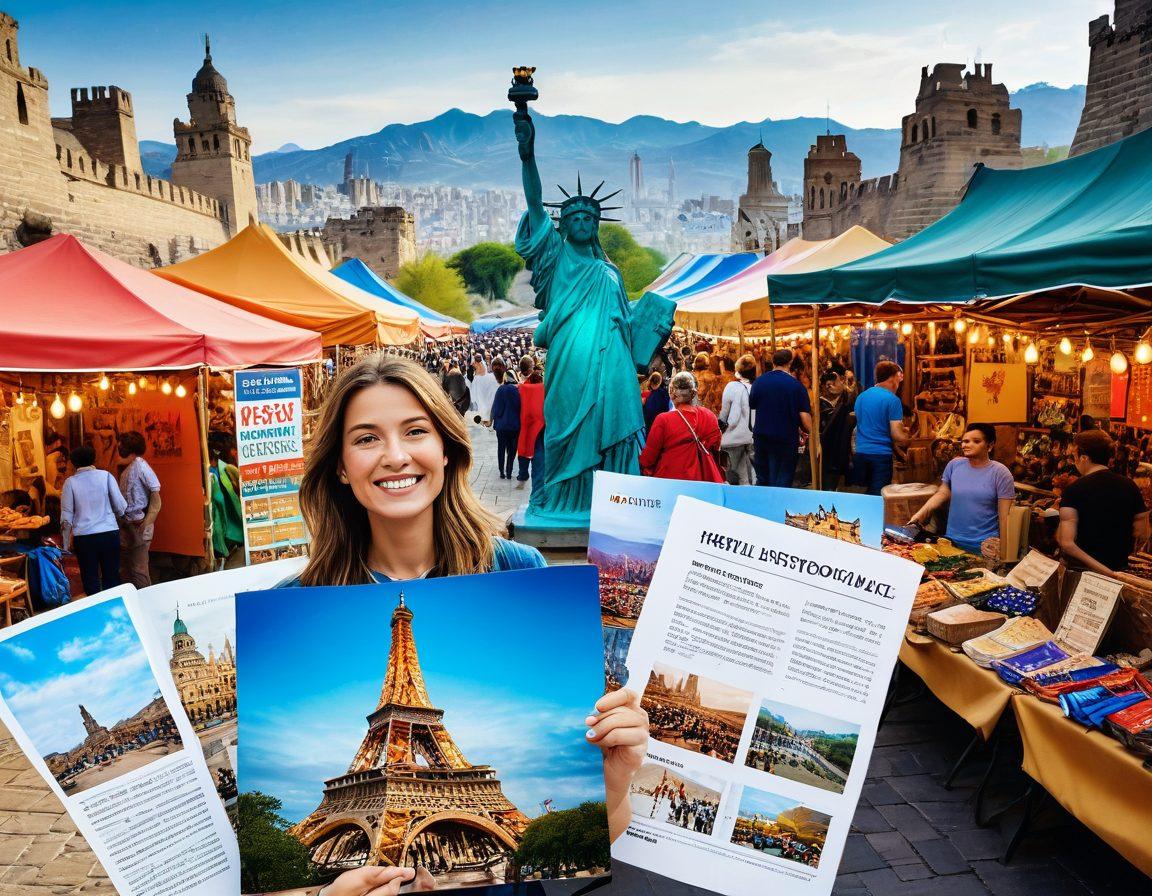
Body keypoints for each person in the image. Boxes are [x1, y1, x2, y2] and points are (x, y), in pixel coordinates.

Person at [281, 354, 647, 896]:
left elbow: (579, 858)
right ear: (339, 464)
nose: (396, 456)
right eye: (366, 439)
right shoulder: (292, 600)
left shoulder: (520, 568)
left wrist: (614, 782)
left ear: (448, 448)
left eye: (415, 431)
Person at [906, 424, 1015, 556]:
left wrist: (1005, 550)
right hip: (951, 543)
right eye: (965, 441)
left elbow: (1005, 517)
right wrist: (919, 516)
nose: (966, 445)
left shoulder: (1000, 473)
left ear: (990, 445)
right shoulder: (954, 465)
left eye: (976, 441)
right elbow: (943, 492)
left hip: (985, 546)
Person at [1057, 430, 1150, 573]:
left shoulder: (1073, 490)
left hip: (1081, 571)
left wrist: (1105, 571)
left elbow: (1066, 543)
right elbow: (1143, 533)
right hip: (1120, 569)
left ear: (1084, 458)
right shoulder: (1130, 486)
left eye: (1074, 456)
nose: (1074, 461)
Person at [60, 444, 126, 596]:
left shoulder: (70, 482)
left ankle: (96, 613)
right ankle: (113, 611)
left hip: (85, 538)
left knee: (90, 580)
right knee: (112, 577)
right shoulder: (106, 476)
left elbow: (66, 517)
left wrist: (65, 544)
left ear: (74, 463)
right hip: (109, 534)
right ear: (93, 460)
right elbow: (120, 506)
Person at [639, 372, 723, 482]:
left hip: (671, 480)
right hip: (705, 479)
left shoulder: (664, 420)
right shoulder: (709, 415)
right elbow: (716, 446)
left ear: (672, 394)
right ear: (693, 394)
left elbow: (648, 458)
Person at [749, 349, 812, 488]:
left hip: (761, 437)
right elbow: (804, 417)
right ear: (790, 363)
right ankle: (777, 507)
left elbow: (752, 404)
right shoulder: (796, 386)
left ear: (773, 362)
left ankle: (762, 507)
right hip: (785, 438)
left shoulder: (759, 382)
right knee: (782, 478)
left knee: (763, 478)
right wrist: (813, 433)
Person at [851, 360, 909, 495]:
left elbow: (865, 424)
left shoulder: (861, 397)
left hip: (860, 454)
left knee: (863, 496)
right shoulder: (892, 400)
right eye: (898, 379)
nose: (898, 384)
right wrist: (908, 438)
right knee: (878, 497)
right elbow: (897, 435)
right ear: (894, 377)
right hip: (880, 456)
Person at [117, 431, 161, 588]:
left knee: (138, 569)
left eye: (121, 444)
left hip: (138, 525)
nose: (118, 446)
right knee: (128, 568)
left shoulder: (141, 466)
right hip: (128, 525)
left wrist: (147, 522)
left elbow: (156, 495)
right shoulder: (130, 467)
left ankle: (146, 602)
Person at [207, 431, 244, 569]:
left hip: (224, 516)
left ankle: (224, 556)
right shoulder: (222, 469)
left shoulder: (222, 470)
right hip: (227, 516)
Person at [719, 354, 756, 485]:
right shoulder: (757, 387)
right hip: (753, 435)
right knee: (754, 472)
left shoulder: (731, 387)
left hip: (734, 436)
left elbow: (724, 413)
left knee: (738, 475)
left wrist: (720, 428)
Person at [819, 369, 855, 491]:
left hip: (844, 447)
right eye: (829, 384)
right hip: (827, 449)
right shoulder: (820, 404)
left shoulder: (846, 401)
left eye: (836, 382)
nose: (832, 387)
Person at [515, 360, 545, 492]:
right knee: (539, 459)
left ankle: (523, 475)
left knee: (524, 452)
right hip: (542, 427)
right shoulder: (544, 389)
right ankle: (536, 488)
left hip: (526, 426)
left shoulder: (522, 388)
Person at [489, 370, 521, 480]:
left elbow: (496, 409)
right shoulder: (518, 390)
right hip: (514, 425)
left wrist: (492, 421)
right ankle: (509, 471)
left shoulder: (500, 389)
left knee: (501, 448)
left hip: (501, 426)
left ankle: (501, 471)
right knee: (512, 450)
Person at [470, 356, 502, 426]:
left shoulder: (490, 377)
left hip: (489, 409)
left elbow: (473, 398)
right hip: (488, 409)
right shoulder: (479, 378)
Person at [693, 352, 722, 416]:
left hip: (693, 405)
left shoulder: (691, 375)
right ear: (707, 364)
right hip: (706, 407)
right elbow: (717, 393)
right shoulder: (710, 376)